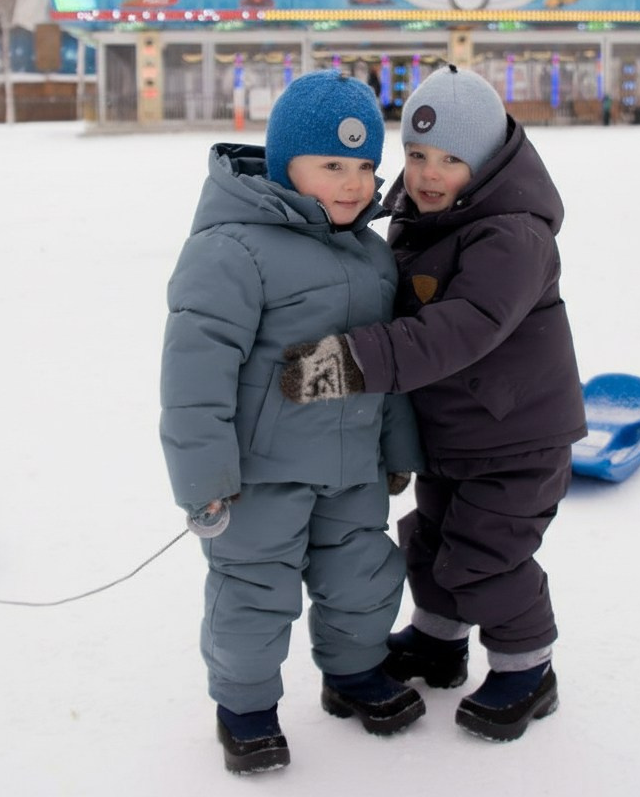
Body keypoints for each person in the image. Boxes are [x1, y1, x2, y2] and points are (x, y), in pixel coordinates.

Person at [280, 65, 587, 743]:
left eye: (450, 159)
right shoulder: (424, 221)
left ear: (488, 161)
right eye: (417, 155)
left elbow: (461, 328)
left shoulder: (513, 235)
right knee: (432, 540)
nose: (427, 174)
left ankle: (528, 668)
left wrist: (347, 363)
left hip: (516, 438)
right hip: (456, 434)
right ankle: (439, 642)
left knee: (485, 557)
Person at [159, 69, 427, 775]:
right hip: (259, 478)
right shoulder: (232, 250)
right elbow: (194, 378)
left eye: (365, 166)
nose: (354, 184)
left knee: (363, 576)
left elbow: (387, 363)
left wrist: (396, 449)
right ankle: (245, 709)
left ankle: (354, 672)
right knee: (253, 592)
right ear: (285, 164)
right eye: (332, 166)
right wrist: (204, 478)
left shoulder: (372, 256)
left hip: (353, 468)